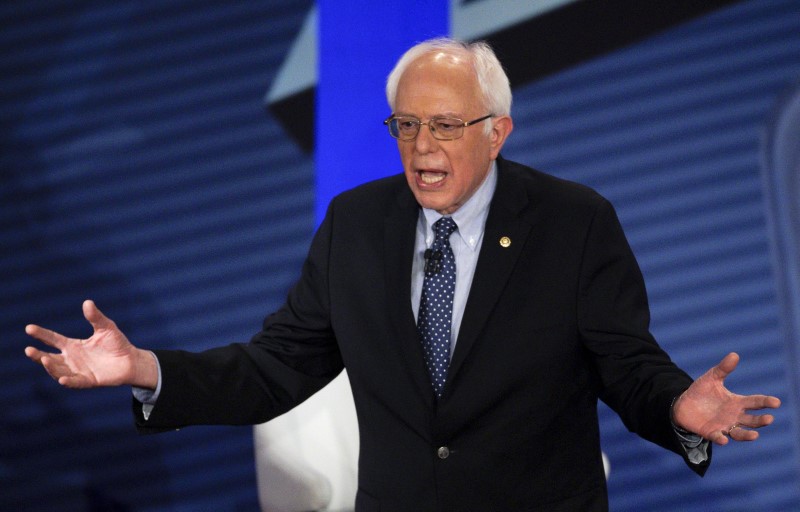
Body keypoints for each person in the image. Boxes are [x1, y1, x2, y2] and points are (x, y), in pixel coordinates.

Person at [25, 38, 781, 511]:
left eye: (446, 125)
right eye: (407, 124)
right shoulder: (357, 224)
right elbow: (277, 368)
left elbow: (626, 364)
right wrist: (147, 368)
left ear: (497, 131)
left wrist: (678, 408)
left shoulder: (573, 222)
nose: (423, 146)